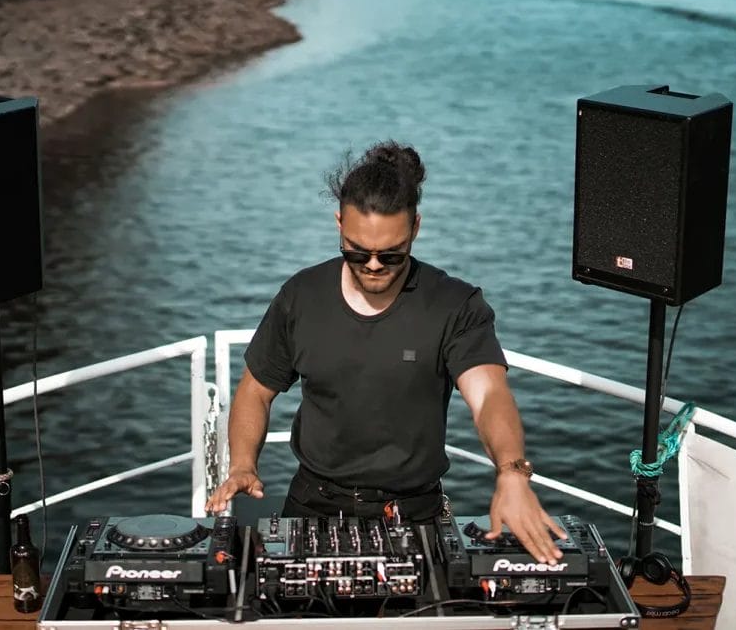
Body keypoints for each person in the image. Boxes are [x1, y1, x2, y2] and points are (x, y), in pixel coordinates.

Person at [205, 141, 564, 564]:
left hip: (414, 512)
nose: (374, 265)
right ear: (339, 224)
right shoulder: (300, 296)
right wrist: (243, 464)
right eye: (357, 251)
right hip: (311, 504)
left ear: (415, 228)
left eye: (391, 254)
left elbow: (489, 395)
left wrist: (511, 472)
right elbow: (256, 390)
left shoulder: (455, 304)